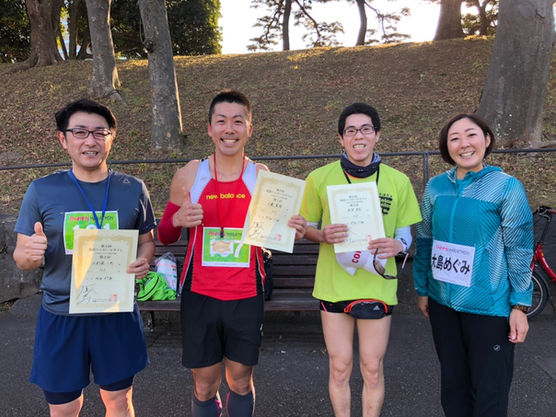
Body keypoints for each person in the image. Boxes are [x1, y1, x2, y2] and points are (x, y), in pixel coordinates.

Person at [156, 89, 306, 417]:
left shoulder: (261, 177)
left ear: (249, 129)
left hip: (246, 293)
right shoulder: (190, 174)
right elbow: (164, 236)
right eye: (221, 121)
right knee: (204, 385)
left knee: (240, 380)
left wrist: (291, 228)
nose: (229, 129)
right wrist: (177, 220)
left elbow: (277, 232)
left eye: (238, 122)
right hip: (200, 294)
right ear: (209, 129)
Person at [12, 99, 156, 416]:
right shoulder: (42, 190)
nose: (90, 140)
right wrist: (30, 253)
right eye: (80, 132)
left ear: (111, 138)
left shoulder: (133, 188)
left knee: (119, 401)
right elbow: (22, 256)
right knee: (65, 407)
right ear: (63, 139)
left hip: (116, 312)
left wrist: (143, 260)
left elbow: (147, 242)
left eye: (99, 132)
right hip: (62, 314)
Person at [300, 102, 422, 417]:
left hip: (377, 285)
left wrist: (398, 245)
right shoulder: (319, 178)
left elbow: (406, 236)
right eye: (351, 130)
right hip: (334, 286)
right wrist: (322, 235)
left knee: (372, 368)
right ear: (341, 138)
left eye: (366, 129)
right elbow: (306, 229)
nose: (358, 136)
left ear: (377, 135)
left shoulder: (397, 181)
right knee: (340, 367)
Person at [413, 113, 533, 417]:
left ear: (487, 139)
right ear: (446, 146)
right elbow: (425, 239)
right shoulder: (436, 187)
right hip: (443, 304)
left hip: (489, 308)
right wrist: (423, 289)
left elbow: (519, 247)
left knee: (489, 395)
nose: (464, 144)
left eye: (471, 135)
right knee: (454, 392)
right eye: (454, 138)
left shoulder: (505, 187)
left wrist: (520, 305)